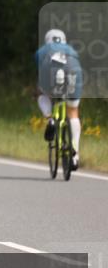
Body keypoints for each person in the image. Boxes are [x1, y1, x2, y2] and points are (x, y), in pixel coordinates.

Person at [36, 28, 83, 170]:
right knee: (73, 111)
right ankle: (75, 156)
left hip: (50, 71)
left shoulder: (42, 51)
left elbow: (40, 69)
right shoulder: (72, 50)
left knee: (41, 94)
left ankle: (49, 118)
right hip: (73, 69)